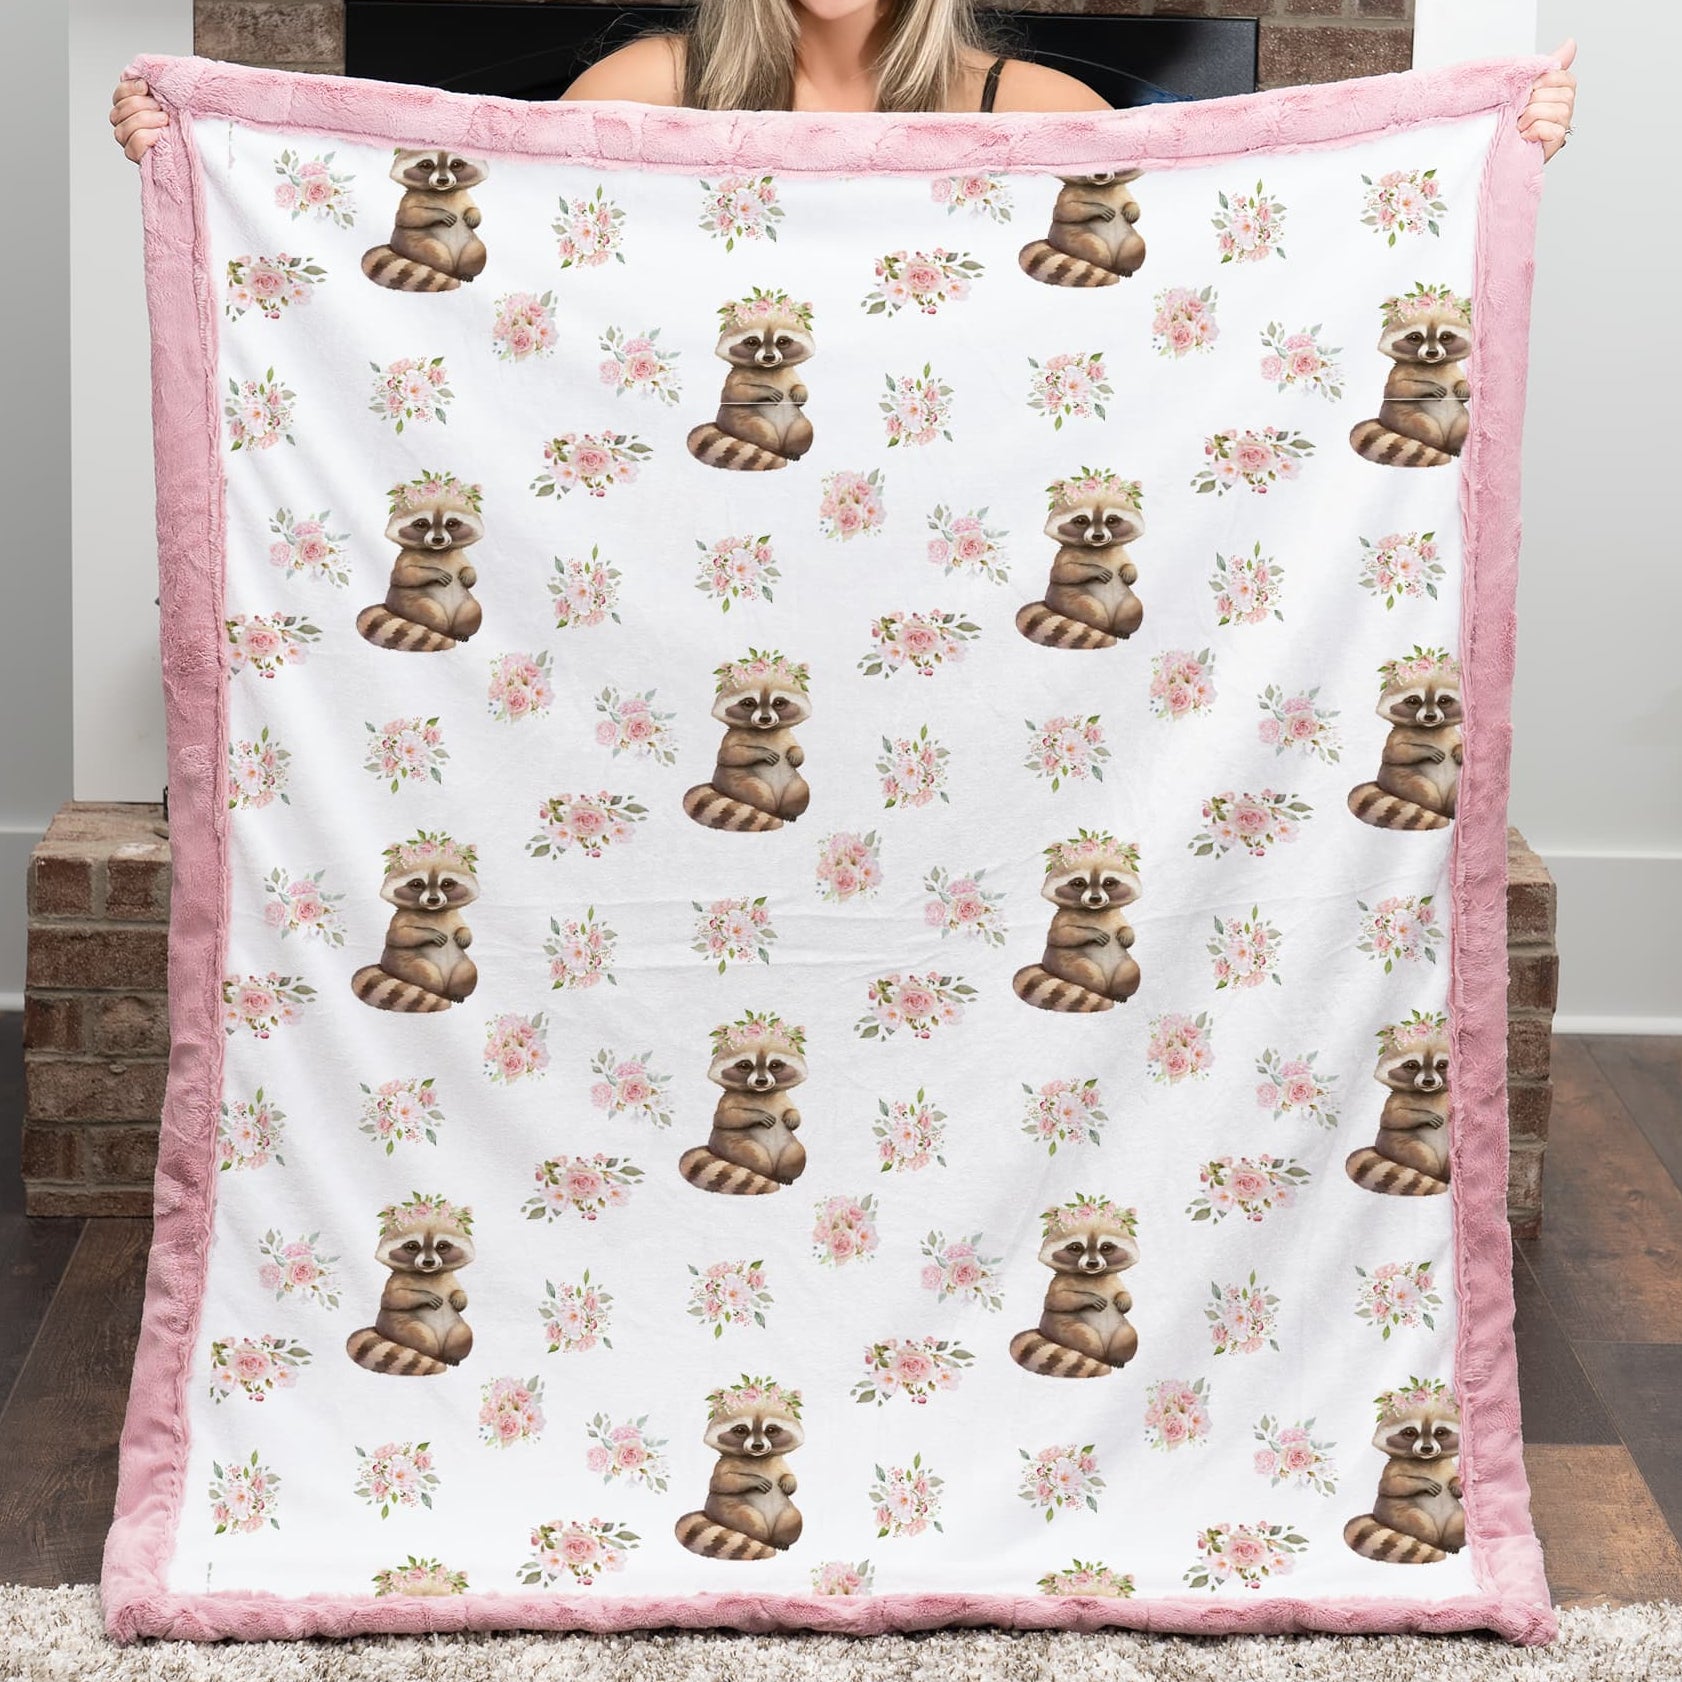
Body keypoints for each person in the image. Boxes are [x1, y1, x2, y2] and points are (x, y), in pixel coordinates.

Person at [109, 5, 1576, 152]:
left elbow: (1233, 287)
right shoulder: (647, 81)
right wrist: (197, 149)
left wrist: (1482, 153)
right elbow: (470, 258)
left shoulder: (1039, 113)